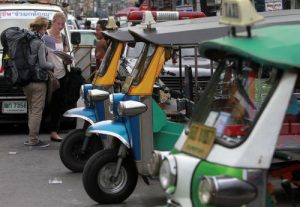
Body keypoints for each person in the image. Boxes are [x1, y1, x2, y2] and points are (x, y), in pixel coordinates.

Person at [23, 16, 54, 147]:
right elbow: (42, 64)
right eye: (46, 27)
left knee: (31, 109)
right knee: (37, 110)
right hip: (38, 81)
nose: (46, 30)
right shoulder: (39, 43)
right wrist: (52, 65)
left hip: (25, 80)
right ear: (42, 27)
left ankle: (31, 137)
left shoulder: (25, 40)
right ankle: (33, 139)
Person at [43, 12, 71, 142]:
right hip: (48, 74)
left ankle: (54, 130)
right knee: (45, 102)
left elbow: (64, 53)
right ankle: (39, 128)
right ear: (53, 22)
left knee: (57, 104)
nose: (60, 26)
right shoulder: (45, 36)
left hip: (61, 73)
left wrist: (67, 60)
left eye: (62, 24)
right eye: (58, 23)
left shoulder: (63, 36)